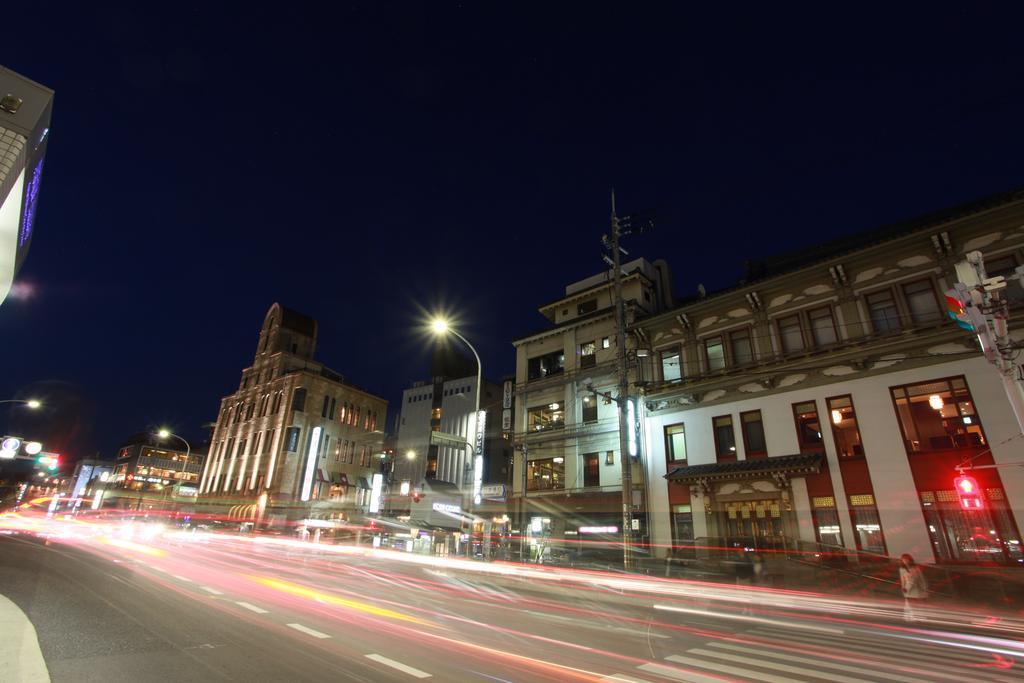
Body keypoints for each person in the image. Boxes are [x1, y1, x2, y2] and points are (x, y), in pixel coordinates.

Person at [899, 553, 928, 621]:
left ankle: (920, 616)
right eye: (903, 560)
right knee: (910, 604)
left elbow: (921, 578)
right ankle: (911, 617)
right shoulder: (902, 569)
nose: (905, 561)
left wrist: (925, 588)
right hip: (908, 589)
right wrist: (903, 588)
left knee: (919, 603)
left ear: (910, 560)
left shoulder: (915, 568)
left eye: (907, 559)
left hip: (917, 588)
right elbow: (902, 579)